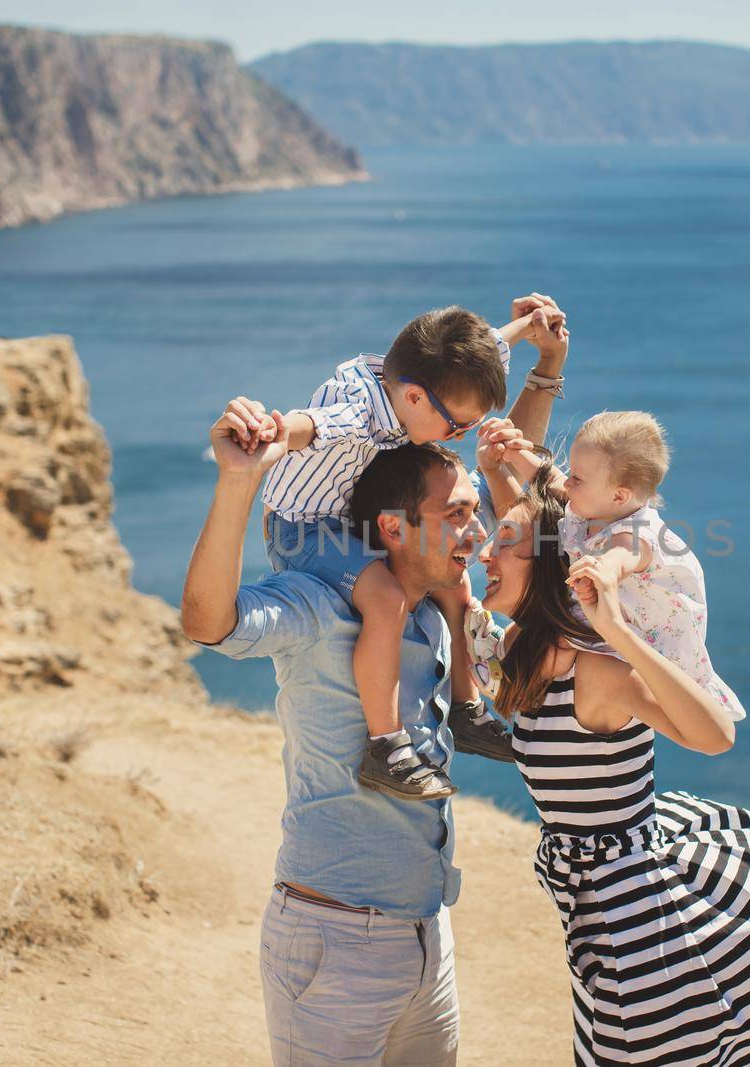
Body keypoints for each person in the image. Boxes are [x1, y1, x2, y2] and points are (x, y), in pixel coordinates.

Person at [180, 322, 568, 1065]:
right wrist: (239, 480)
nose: (478, 533)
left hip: (428, 934)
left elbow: (511, 485)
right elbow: (209, 621)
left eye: (473, 516)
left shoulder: (442, 605)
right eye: (457, 517)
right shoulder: (328, 609)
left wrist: (545, 365)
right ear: (393, 525)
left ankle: (465, 711)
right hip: (334, 939)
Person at [471, 463, 750, 1066]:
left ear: (548, 566)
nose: (486, 551)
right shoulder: (519, 649)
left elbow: (716, 736)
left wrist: (619, 631)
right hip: (596, 888)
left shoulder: (595, 672)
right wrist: (500, 463)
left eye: (507, 543)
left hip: (643, 902)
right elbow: (521, 522)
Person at [220, 297, 566, 800]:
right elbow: (311, 425)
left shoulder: (422, 373)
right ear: (416, 400)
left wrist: (531, 330)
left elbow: (490, 340)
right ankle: (385, 746)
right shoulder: (360, 410)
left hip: (354, 513)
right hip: (306, 529)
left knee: (455, 578)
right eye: (456, 427)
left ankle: (467, 710)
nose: (462, 435)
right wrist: (270, 436)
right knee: (384, 597)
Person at [479, 410, 743, 721]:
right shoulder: (595, 504)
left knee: (553, 649)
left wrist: (603, 569)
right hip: (609, 618)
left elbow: (620, 558)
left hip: (642, 639)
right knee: (539, 635)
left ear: (619, 495)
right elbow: (548, 478)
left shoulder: (636, 534)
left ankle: (496, 682)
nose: (569, 483)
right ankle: (497, 666)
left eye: (577, 478)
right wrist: (515, 453)